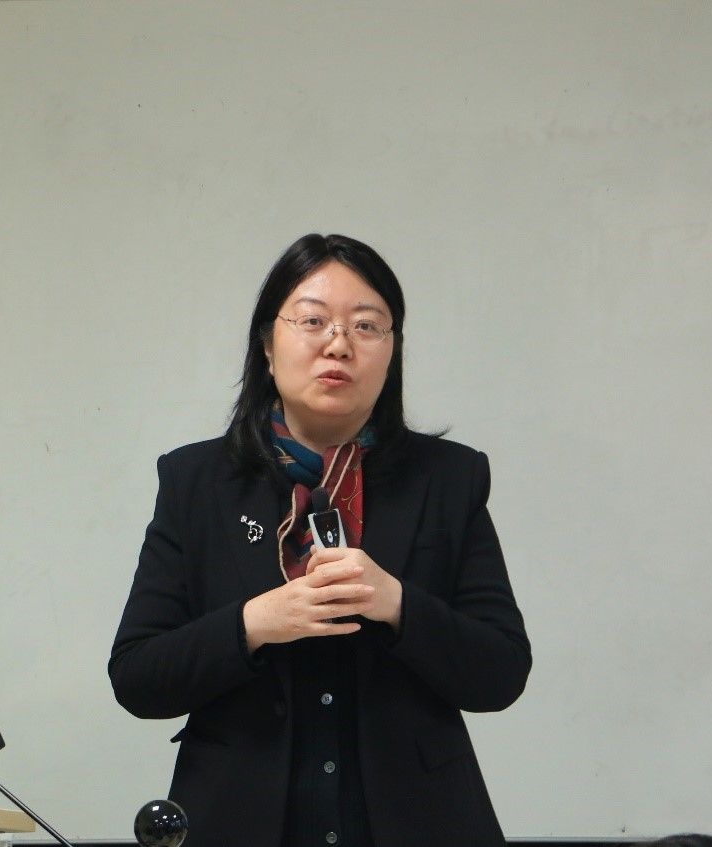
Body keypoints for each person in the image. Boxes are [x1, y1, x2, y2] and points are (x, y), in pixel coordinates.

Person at [109, 233, 532, 847]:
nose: (338, 344)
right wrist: (256, 622)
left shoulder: (448, 478)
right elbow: (138, 677)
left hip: (416, 818)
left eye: (366, 326)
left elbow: (501, 673)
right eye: (312, 321)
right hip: (240, 818)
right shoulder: (195, 482)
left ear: (392, 352)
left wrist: (395, 602)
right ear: (267, 344)